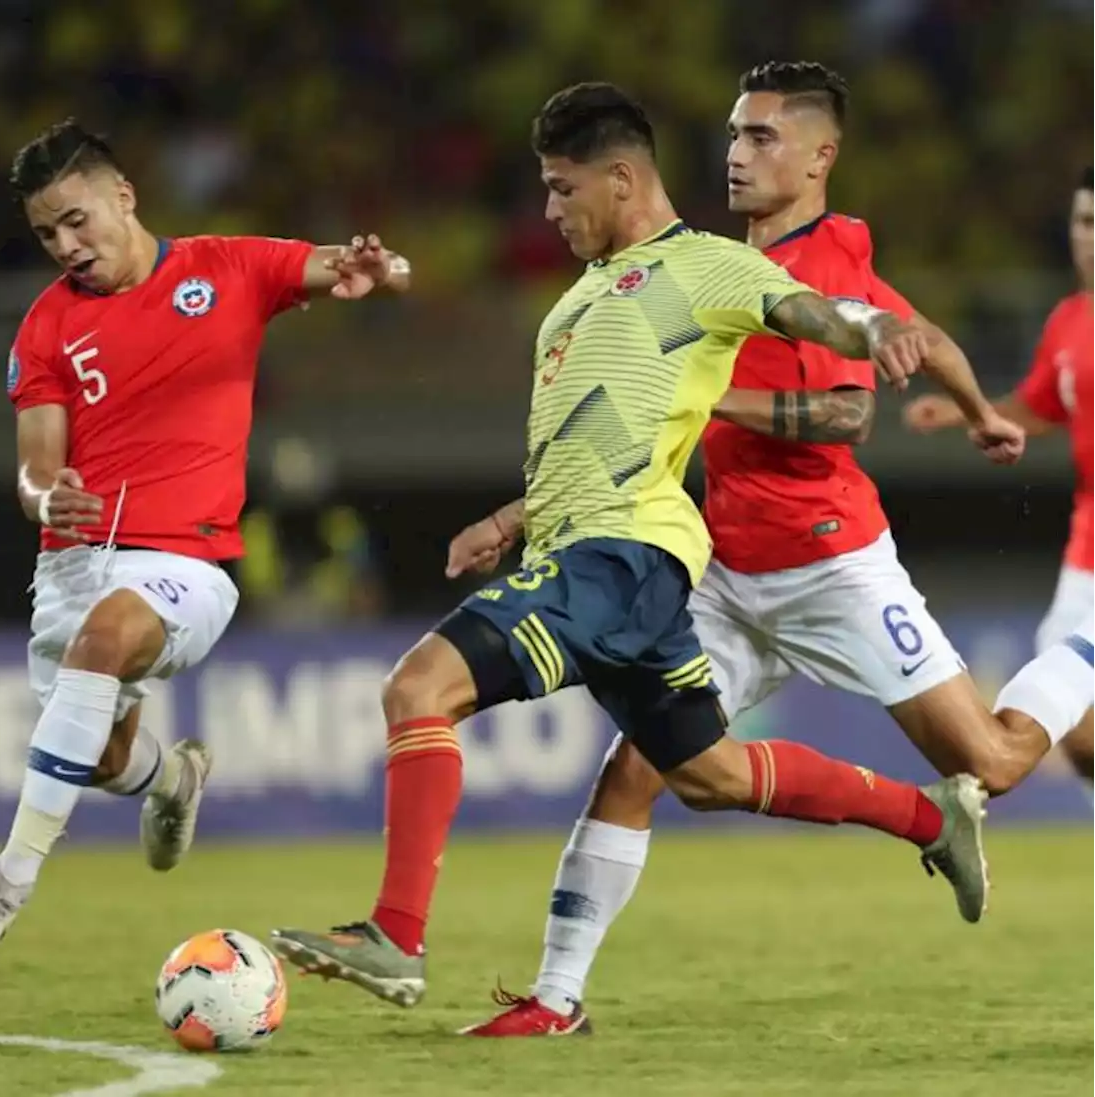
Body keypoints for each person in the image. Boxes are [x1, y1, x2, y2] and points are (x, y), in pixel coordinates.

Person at [269, 81, 992, 1013]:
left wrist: (879, 324)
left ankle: (395, 937)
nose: (548, 210)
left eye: (562, 189)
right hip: (597, 556)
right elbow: (600, 439)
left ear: (620, 180)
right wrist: (511, 517)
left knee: (418, 688)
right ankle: (931, 817)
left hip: (622, 559)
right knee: (708, 771)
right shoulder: (580, 301)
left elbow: (816, 312)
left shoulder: (705, 266)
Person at [458, 63, 1095, 1038]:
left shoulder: (822, 260)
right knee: (638, 768)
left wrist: (703, 396)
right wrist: (977, 411)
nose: (735, 152)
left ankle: (1083, 655)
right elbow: (914, 333)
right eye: (731, 133)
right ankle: (553, 998)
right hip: (721, 568)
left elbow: (844, 412)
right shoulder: (705, 265)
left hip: (833, 564)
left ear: (818, 155)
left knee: (996, 760)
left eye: (760, 137)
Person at [0, 119, 411, 968]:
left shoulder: (228, 266)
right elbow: (35, 469)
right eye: (46, 234)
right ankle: (168, 778)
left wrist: (381, 269)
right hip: (75, 564)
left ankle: (9, 879)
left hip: (188, 560)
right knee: (106, 754)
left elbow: (341, 263)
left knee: (105, 639)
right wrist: (49, 500)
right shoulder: (43, 330)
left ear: (124, 196)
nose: (66, 245)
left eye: (77, 220)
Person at [905, 166, 1095, 783]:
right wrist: (972, 410)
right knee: (1080, 736)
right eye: (1085, 221)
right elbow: (1043, 405)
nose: (1092, 236)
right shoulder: (1069, 320)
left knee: (1061, 684)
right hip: (1086, 548)